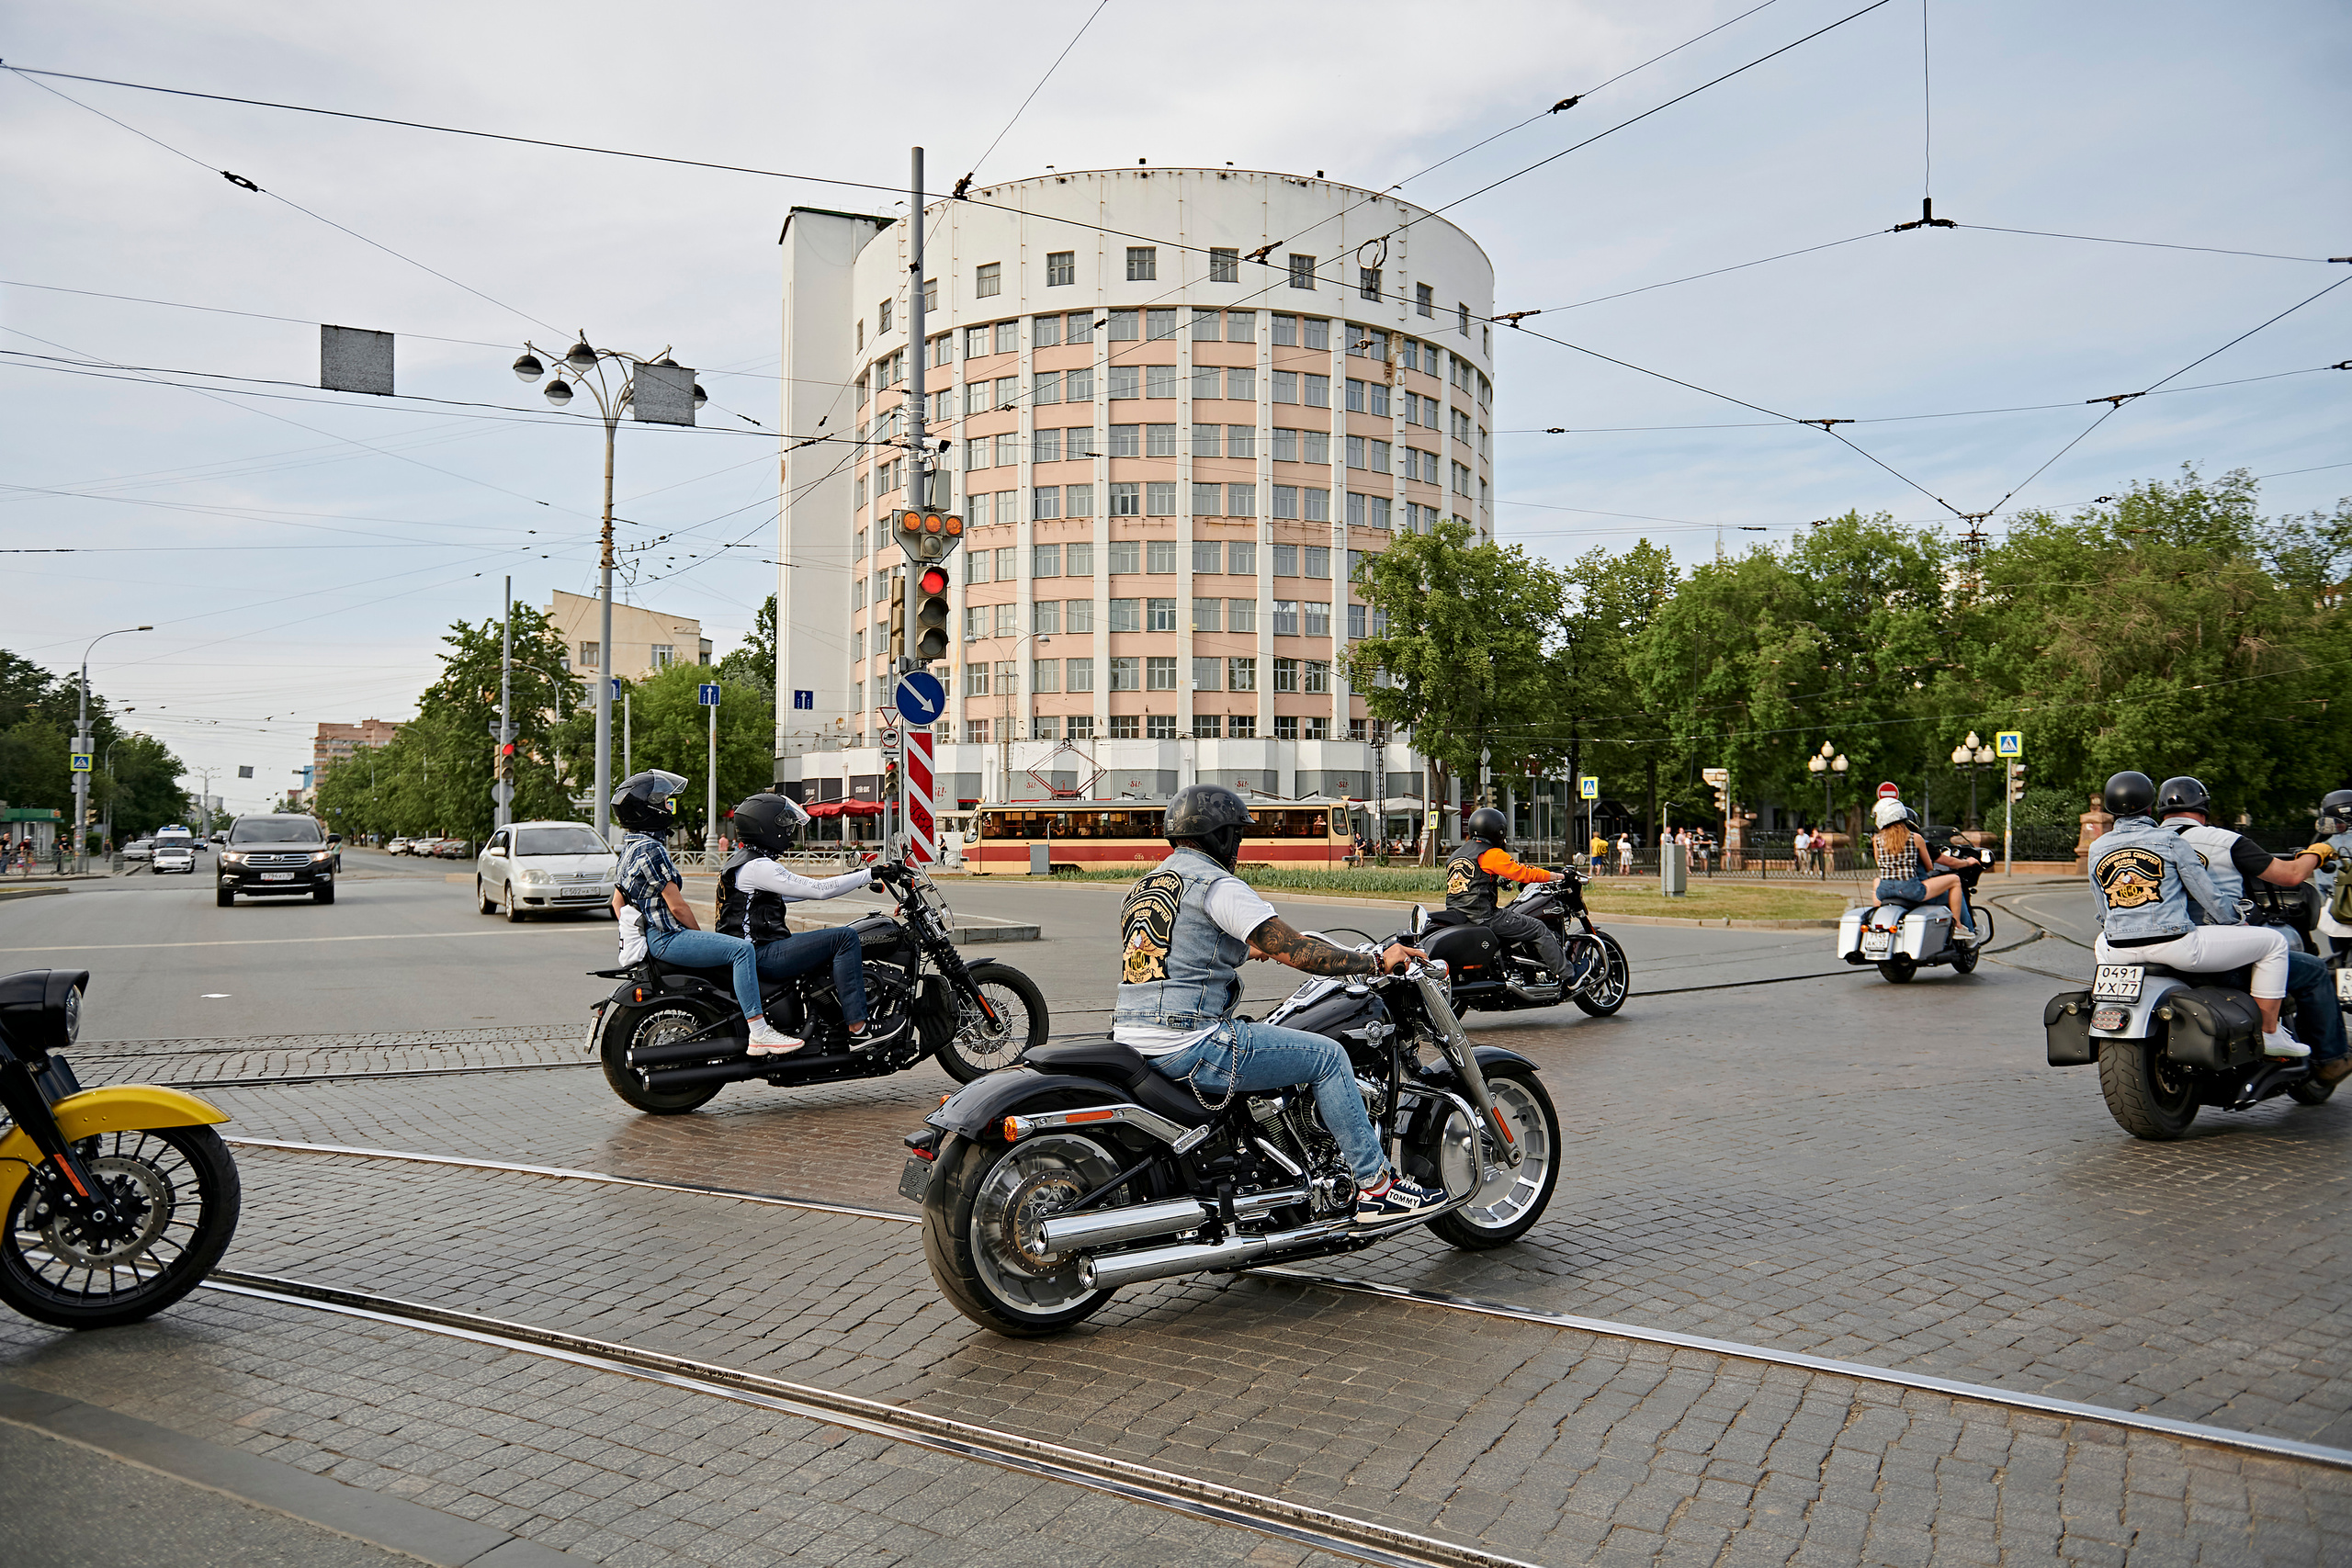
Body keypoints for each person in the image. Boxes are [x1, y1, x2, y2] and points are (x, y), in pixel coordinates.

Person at [1114, 784, 1442, 1224]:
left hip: (1133, 1038)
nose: (1238, 847)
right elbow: (1299, 951)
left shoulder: (1146, 886)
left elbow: (1175, 951)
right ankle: (1377, 1187)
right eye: (1237, 836)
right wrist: (1377, 961)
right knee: (1328, 1057)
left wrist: (1246, 948)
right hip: (1190, 1042)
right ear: (1220, 836)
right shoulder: (1218, 886)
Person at [2086, 772, 2306, 1059]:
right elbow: (2207, 893)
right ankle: (2270, 1033)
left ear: (2110, 809)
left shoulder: (2096, 847)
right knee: (2274, 942)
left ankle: (2108, 1003)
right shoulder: (2168, 840)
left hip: (2116, 949)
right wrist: (2234, 920)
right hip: (2175, 945)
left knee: (2101, 940)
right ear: (2150, 808)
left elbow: (2103, 904)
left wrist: (2117, 930)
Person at [2154, 775, 2344, 1078]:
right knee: (2313, 970)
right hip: (2213, 953)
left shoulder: (2146, 842)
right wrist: (2317, 852)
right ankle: (2329, 1059)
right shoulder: (2224, 840)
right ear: (2203, 807)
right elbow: (2291, 875)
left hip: (2154, 947)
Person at [608, 770, 802, 1055]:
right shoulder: (652, 849)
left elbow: (617, 903)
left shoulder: (629, 849)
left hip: (654, 937)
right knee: (741, 950)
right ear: (646, 809)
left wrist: (642, 931)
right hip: (668, 937)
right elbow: (677, 906)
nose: (667, 807)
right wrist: (697, 937)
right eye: (661, 802)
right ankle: (760, 1032)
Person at [718, 793, 907, 1054]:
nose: (789, 829)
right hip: (762, 954)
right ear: (765, 825)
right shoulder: (759, 866)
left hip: (753, 952)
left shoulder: (744, 861)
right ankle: (859, 1028)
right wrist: (871, 872)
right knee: (844, 937)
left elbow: (794, 893)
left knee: (824, 942)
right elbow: (819, 890)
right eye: (784, 823)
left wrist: (857, 878)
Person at [1448, 806, 1571, 981]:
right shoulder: (1491, 853)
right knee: (1538, 928)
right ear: (1498, 830)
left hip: (1460, 916)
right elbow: (1523, 873)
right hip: (1485, 917)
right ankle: (1569, 977)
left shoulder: (1457, 855)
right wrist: (1558, 876)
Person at [1871, 796, 1982, 943]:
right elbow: (1929, 866)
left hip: (1884, 891)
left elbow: (1879, 864)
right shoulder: (1915, 838)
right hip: (1910, 890)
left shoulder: (1877, 840)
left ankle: (1877, 914)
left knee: (1877, 881)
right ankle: (1958, 927)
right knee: (1955, 880)